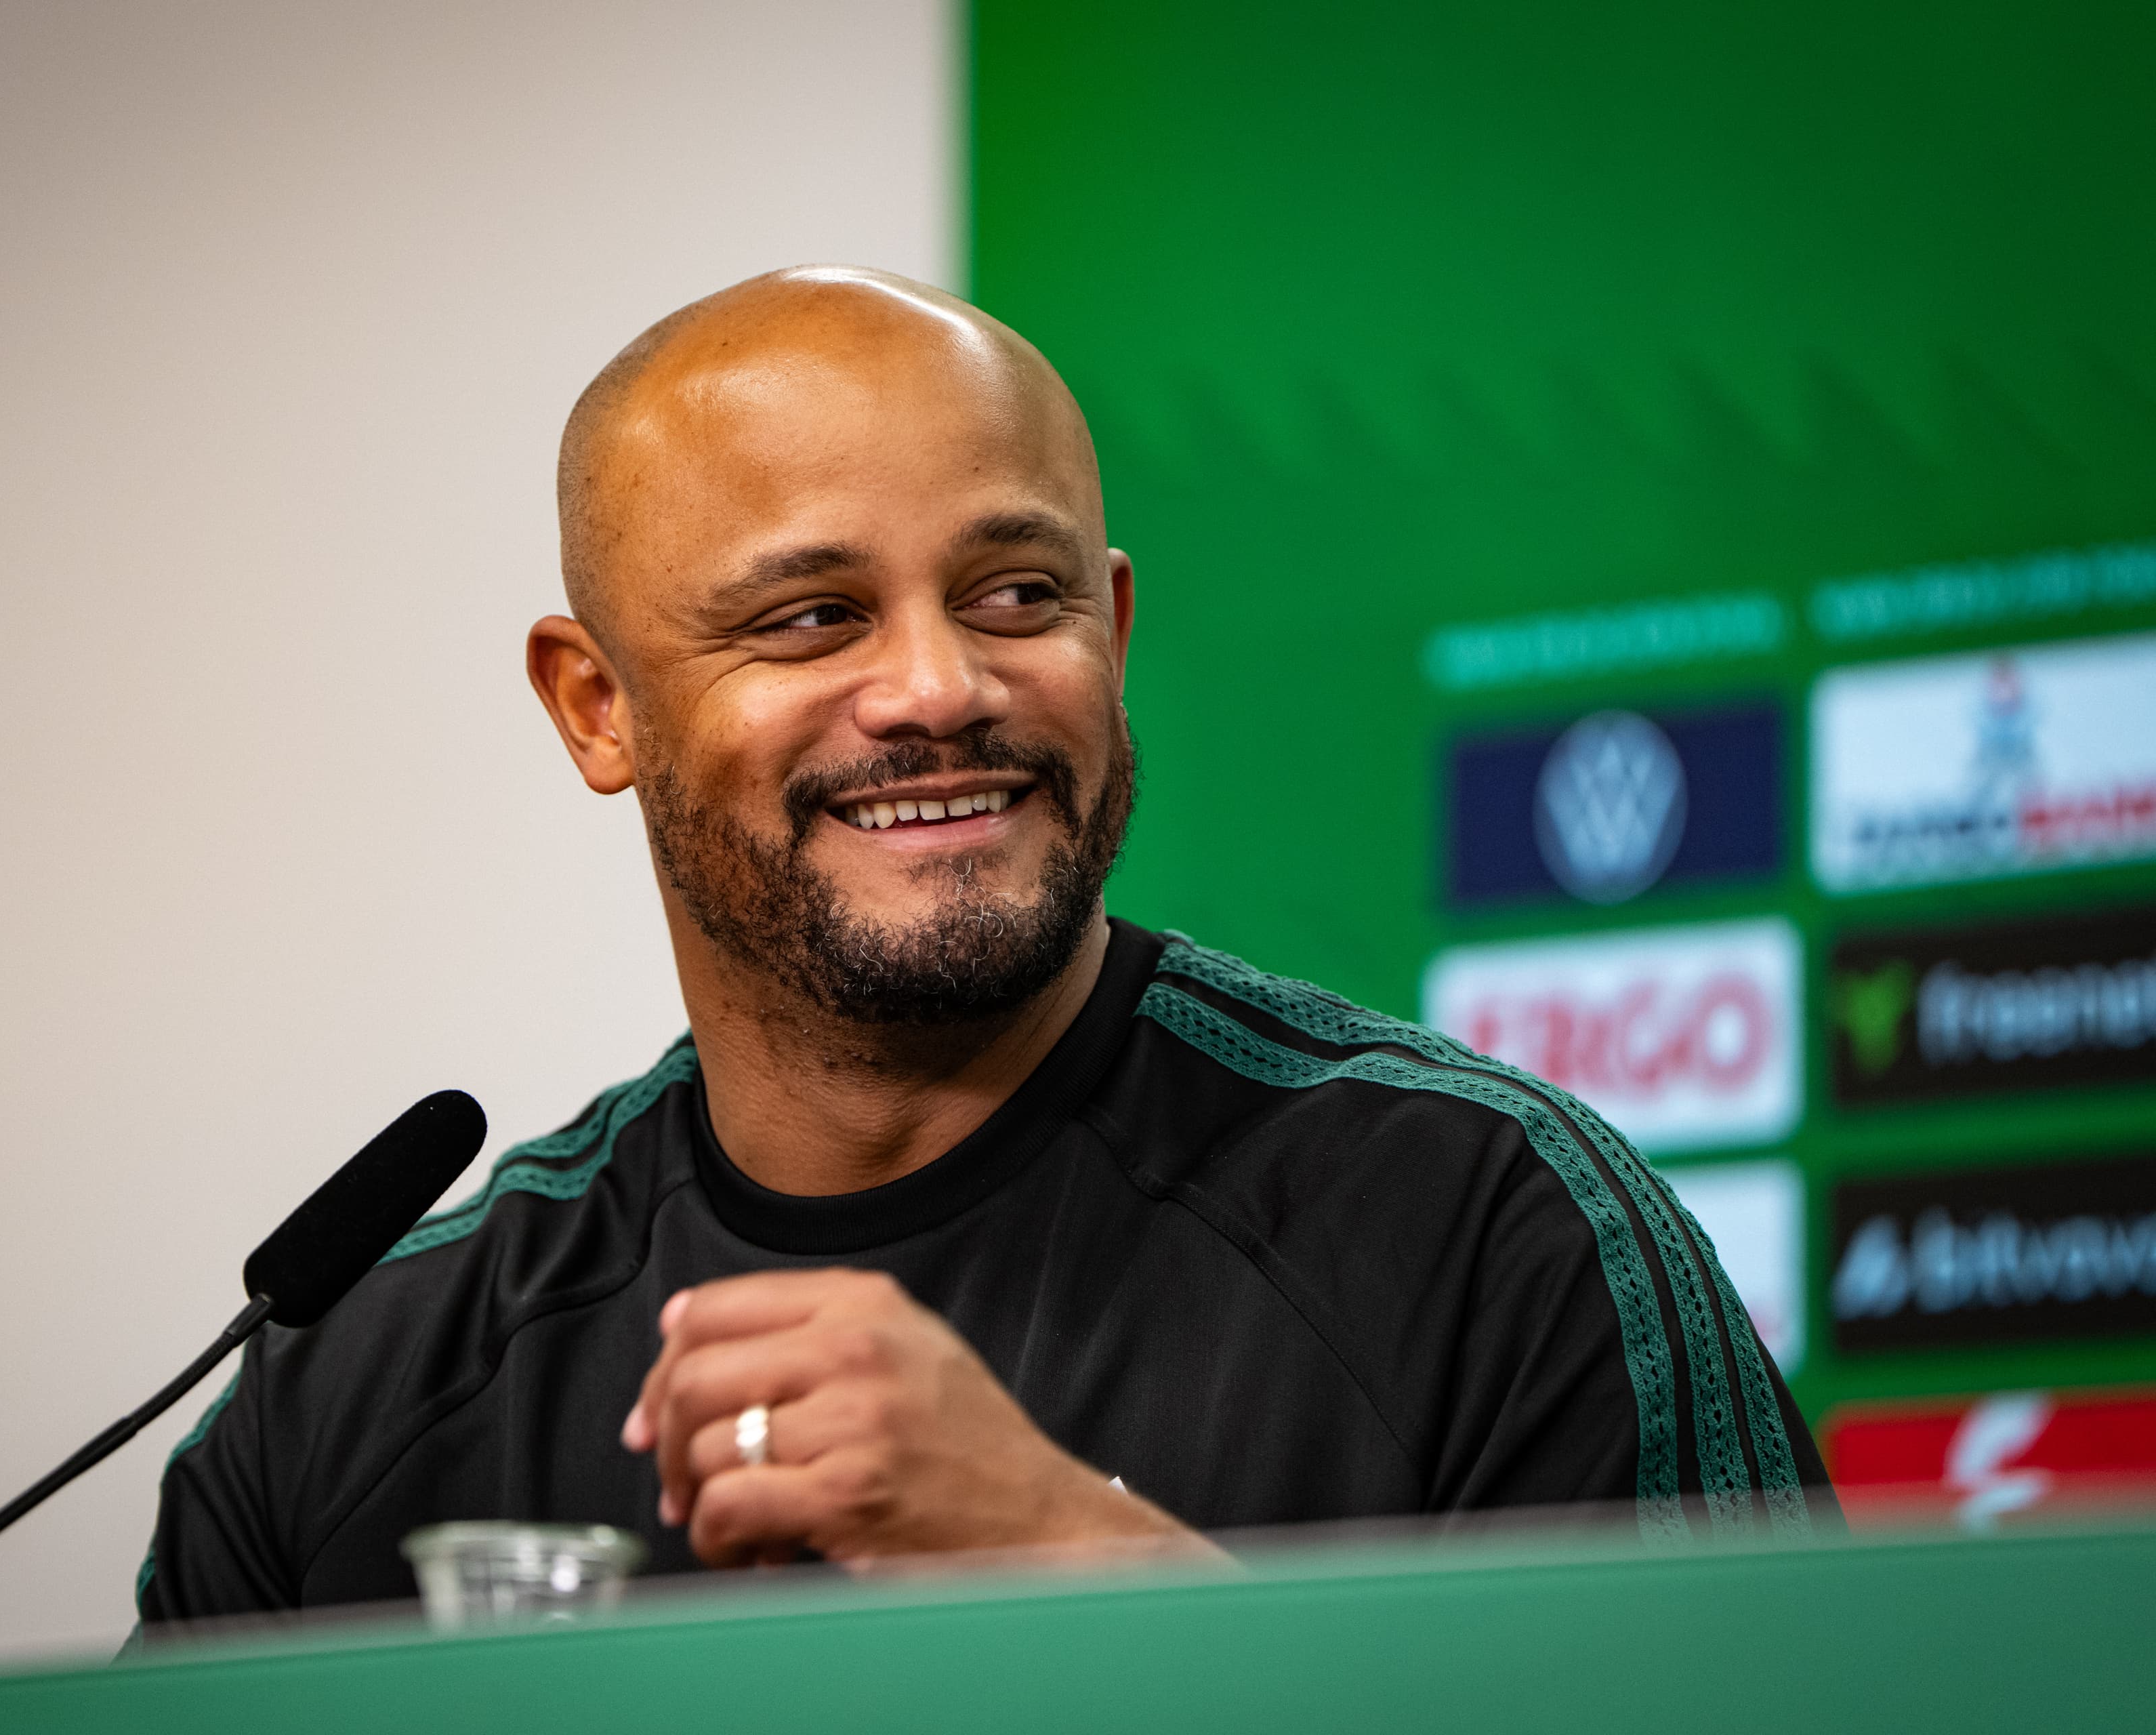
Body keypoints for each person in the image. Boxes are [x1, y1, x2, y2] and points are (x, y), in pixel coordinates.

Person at [136, 267, 1832, 1620]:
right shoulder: (348, 1391)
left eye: (1019, 595)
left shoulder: (1496, 1232)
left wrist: (1082, 1565)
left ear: (1115, 624)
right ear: (599, 705)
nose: (942, 688)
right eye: (813, 618)